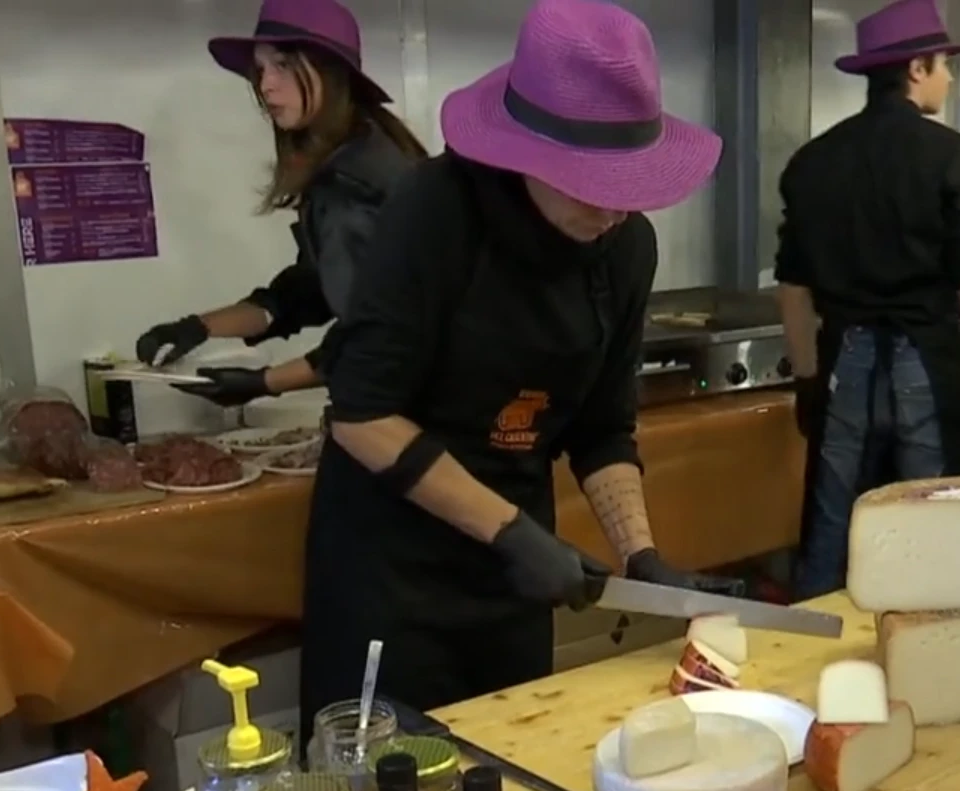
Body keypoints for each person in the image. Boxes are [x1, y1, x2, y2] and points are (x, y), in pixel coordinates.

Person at [298, 0, 737, 736]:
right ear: (525, 155)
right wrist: (512, 534)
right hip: (393, 568)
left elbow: (602, 427)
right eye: (593, 186)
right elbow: (362, 414)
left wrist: (641, 554)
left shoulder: (625, 246)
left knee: (509, 773)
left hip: (512, 577)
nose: (614, 211)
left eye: (628, 188)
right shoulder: (434, 211)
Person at [773, 0, 960, 600]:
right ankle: (930, 665)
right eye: (943, 65)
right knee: (933, 531)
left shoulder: (812, 162)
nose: (950, 77)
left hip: (843, 369)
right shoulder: (952, 157)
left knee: (833, 531)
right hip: (924, 369)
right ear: (915, 69)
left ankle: (814, 663)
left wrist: (807, 380)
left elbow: (793, 289)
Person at [132, 0, 428, 408]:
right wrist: (197, 329)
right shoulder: (369, 146)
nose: (266, 84)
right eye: (261, 69)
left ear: (330, 71)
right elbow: (310, 289)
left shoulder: (351, 185)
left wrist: (262, 383)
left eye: (284, 65)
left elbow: (374, 337)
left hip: (417, 418)